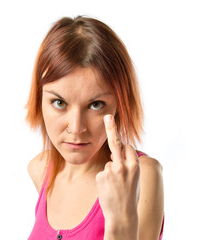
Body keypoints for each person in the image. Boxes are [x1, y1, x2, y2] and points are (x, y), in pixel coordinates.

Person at [25, 16, 164, 240]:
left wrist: (121, 219)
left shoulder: (141, 176)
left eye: (95, 105)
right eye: (59, 103)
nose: (76, 128)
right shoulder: (41, 170)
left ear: (120, 103)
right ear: (39, 98)